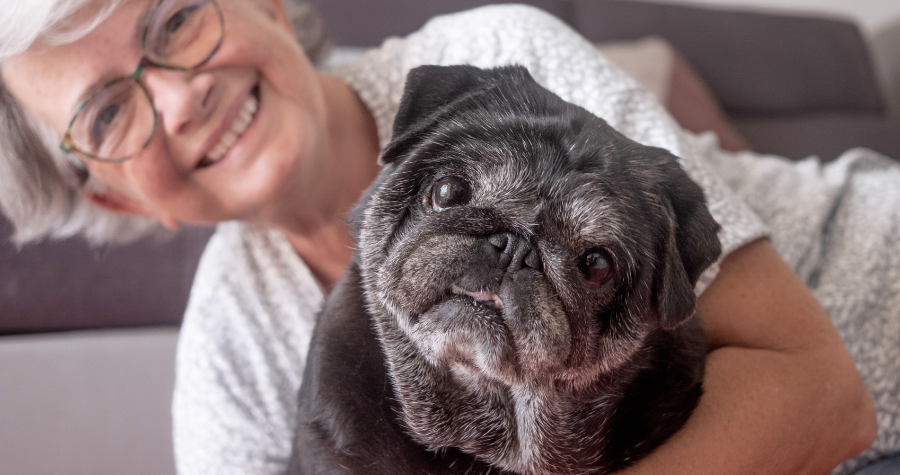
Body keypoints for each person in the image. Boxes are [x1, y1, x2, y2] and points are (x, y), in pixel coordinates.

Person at [0, 0, 893, 474]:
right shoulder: (233, 352)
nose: (178, 92)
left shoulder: (498, 57)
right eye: (108, 112)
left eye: (177, 17)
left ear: (263, 0)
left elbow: (824, 397)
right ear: (115, 199)